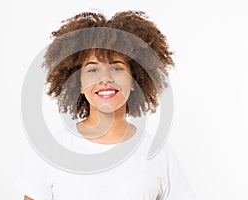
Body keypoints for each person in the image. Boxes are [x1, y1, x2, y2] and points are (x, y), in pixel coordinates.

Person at [14, 10, 194, 200]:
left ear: (134, 80)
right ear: (79, 84)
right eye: (92, 69)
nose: (105, 79)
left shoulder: (158, 154)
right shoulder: (51, 151)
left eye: (116, 68)